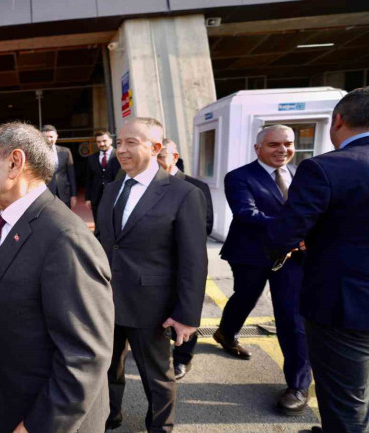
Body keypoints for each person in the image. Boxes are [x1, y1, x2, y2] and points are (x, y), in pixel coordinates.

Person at [0, 122, 114, 433]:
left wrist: (38, 426)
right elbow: (1, 284)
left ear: (14, 163)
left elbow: (85, 355)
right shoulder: (11, 220)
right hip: (13, 401)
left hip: (47, 416)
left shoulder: (64, 238)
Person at [96, 117, 207, 432]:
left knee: (157, 376)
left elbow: (193, 261)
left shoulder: (183, 194)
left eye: (131, 142)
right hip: (105, 300)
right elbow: (105, 242)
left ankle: (161, 427)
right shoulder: (112, 189)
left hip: (151, 305)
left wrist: (187, 314)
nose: (121, 149)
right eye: (119, 142)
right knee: (107, 368)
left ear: (156, 148)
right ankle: (109, 416)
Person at [268, 87, 369, 433]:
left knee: (345, 402)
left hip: (345, 307)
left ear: (337, 120)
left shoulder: (325, 168)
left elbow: (285, 234)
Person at [216, 124, 311, 415]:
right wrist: (294, 232)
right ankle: (225, 333)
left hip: (293, 258)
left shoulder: (305, 174)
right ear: (258, 149)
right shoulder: (239, 177)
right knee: (245, 298)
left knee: (292, 316)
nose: (283, 150)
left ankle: (297, 385)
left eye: (288, 144)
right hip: (250, 254)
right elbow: (247, 214)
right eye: (274, 145)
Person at [156, 139, 213, 381]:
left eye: (161, 156)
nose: (156, 162)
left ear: (175, 156)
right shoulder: (146, 185)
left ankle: (182, 359)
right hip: (154, 265)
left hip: (183, 262)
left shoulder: (195, 187)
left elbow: (206, 225)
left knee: (186, 309)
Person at [85, 130, 120, 225]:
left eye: (104, 141)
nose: (102, 144)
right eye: (99, 142)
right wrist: (88, 198)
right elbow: (89, 179)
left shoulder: (119, 155)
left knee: (114, 222)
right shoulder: (91, 158)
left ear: (111, 140)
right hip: (96, 197)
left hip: (115, 195)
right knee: (99, 223)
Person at [42, 125, 77, 208]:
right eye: (46, 137)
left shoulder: (66, 151)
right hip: (46, 193)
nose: (49, 139)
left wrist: (73, 195)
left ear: (56, 136)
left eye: (51, 137)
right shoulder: (37, 153)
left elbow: (71, 175)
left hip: (64, 192)